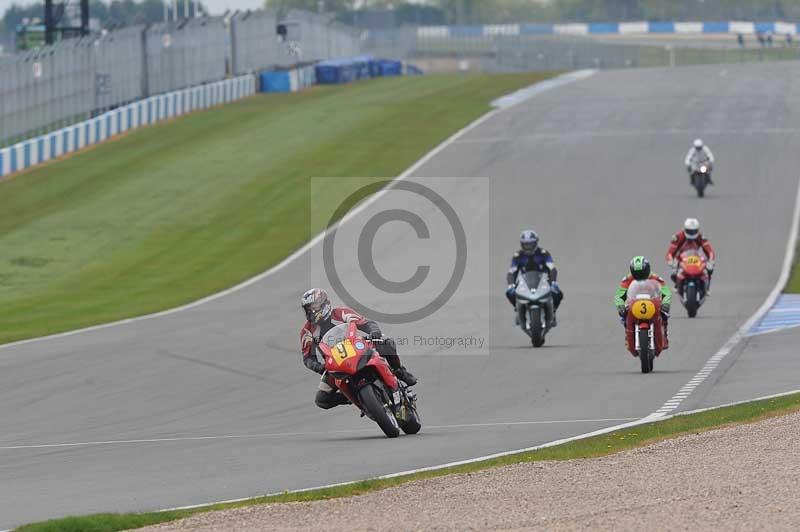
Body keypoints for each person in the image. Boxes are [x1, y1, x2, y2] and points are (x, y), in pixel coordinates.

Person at [300, 288, 417, 410]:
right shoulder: (307, 331)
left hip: (357, 347)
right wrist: (320, 367)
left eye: (313, 307)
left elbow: (366, 323)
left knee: (387, 344)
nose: (311, 312)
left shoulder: (340, 312)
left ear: (324, 303)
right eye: (308, 309)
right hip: (335, 363)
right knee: (321, 399)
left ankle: (399, 371)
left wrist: (374, 332)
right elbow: (307, 358)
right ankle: (358, 398)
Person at [505, 230, 563, 325]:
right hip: (524, 281)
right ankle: (518, 310)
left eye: (530, 245)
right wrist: (511, 285)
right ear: (521, 244)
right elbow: (511, 272)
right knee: (509, 293)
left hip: (544, 280)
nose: (528, 248)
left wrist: (553, 282)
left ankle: (553, 312)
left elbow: (552, 269)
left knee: (558, 293)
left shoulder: (544, 253)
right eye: (525, 245)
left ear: (536, 243)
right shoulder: (517, 256)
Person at [614, 256, 671, 350]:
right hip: (634, 302)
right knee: (624, 315)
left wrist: (666, 303)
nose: (640, 275)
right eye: (637, 273)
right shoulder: (627, 279)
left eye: (642, 272)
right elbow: (618, 295)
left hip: (652, 301)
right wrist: (620, 306)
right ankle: (628, 335)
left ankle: (664, 335)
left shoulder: (655, 277)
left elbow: (666, 291)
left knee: (664, 314)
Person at [665, 218, 716, 294]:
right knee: (673, 273)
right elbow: (670, 252)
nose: (692, 233)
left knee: (709, 270)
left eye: (694, 231)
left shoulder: (701, 237)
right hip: (682, 259)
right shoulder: (678, 237)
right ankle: (677, 285)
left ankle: (707, 287)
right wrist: (671, 262)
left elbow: (710, 251)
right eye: (689, 231)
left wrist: (711, 261)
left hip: (696, 257)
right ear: (685, 229)